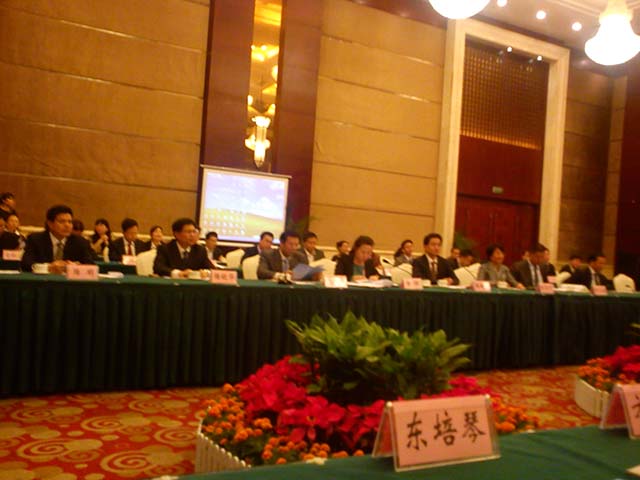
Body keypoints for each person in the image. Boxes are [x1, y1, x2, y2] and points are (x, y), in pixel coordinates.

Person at [21, 205, 94, 273]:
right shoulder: (35, 239)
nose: (67, 225)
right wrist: (48, 267)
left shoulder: (81, 242)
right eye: (62, 222)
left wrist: (75, 267)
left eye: (70, 222)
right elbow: (26, 264)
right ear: (50, 224)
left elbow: (91, 266)